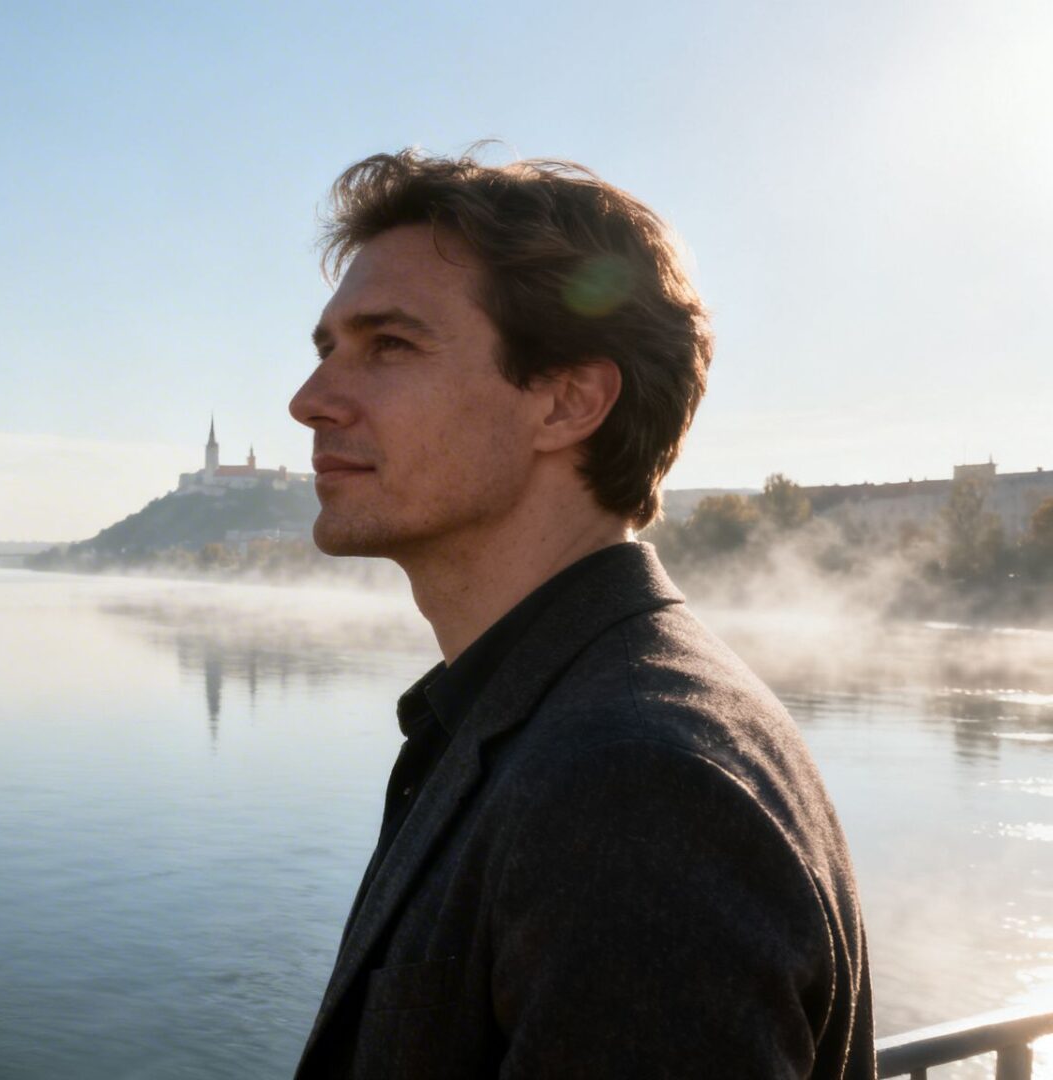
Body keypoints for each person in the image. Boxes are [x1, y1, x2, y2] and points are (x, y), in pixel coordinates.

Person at [287, 150, 873, 1078]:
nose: (309, 401)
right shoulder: (558, 714)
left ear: (567, 400)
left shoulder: (638, 788)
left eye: (388, 345)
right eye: (326, 351)